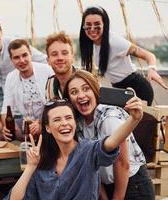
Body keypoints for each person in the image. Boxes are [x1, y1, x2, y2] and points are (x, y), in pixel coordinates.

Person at [5, 92, 143, 199]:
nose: (64, 123)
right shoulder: (41, 161)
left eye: (68, 118)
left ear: (75, 123)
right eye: (57, 120)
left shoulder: (88, 150)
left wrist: (134, 119)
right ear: (47, 128)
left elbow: (111, 142)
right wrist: (30, 167)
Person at [64, 70, 155, 199]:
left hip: (133, 185)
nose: (80, 95)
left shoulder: (109, 117)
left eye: (86, 89)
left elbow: (123, 163)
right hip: (106, 185)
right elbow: (90, 165)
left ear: (96, 91)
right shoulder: (78, 124)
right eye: (74, 92)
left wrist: (117, 198)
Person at [79, 6, 167, 106]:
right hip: (120, 90)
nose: (92, 29)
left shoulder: (114, 41)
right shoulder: (91, 45)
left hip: (137, 89)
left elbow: (148, 55)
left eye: (97, 24)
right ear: (83, 27)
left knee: (137, 121)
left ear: (104, 25)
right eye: (88, 25)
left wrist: (152, 69)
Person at [0, 39, 54, 141]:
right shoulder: (11, 77)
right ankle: (15, 152)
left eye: (24, 55)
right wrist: (8, 127)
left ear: (30, 54)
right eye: (16, 57)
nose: (21, 60)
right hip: (25, 122)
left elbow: (55, 103)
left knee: (38, 132)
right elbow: (6, 109)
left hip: (46, 120)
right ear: (11, 59)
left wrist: (42, 124)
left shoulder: (47, 70)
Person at [45, 31, 75, 100]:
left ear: (73, 57)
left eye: (64, 53)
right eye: (54, 54)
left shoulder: (87, 79)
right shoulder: (50, 84)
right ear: (48, 60)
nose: (60, 58)